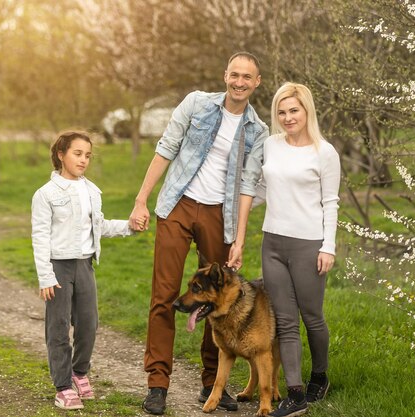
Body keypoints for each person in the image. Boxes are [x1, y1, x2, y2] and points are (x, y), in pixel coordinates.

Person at [128, 52, 268, 416]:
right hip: (178, 202)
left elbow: (248, 185)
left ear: (257, 82)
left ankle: (212, 383)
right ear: (225, 75)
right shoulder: (196, 103)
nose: (239, 82)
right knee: (165, 294)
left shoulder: (258, 131)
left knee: (215, 300)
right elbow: (166, 148)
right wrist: (141, 200)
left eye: (246, 77)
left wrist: (238, 239)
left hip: (218, 216)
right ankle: (157, 383)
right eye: (234, 74)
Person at [31, 130, 136, 410]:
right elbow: (40, 236)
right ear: (60, 154)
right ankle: (63, 386)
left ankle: (79, 373)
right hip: (58, 267)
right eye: (78, 154)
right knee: (59, 327)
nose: (84, 160)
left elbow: (97, 227)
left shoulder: (91, 191)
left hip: (85, 265)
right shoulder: (46, 195)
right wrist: (46, 276)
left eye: (88, 155)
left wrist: (129, 226)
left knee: (89, 324)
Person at [257, 82, 341, 417]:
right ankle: (295, 395)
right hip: (272, 243)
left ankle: (319, 375)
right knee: (286, 321)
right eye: (282, 111)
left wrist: (328, 247)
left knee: (312, 318)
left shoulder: (325, 152)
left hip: (309, 245)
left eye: (294, 110)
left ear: (307, 111)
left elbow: (331, 203)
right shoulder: (271, 145)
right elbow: (264, 189)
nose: (288, 117)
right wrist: (235, 206)